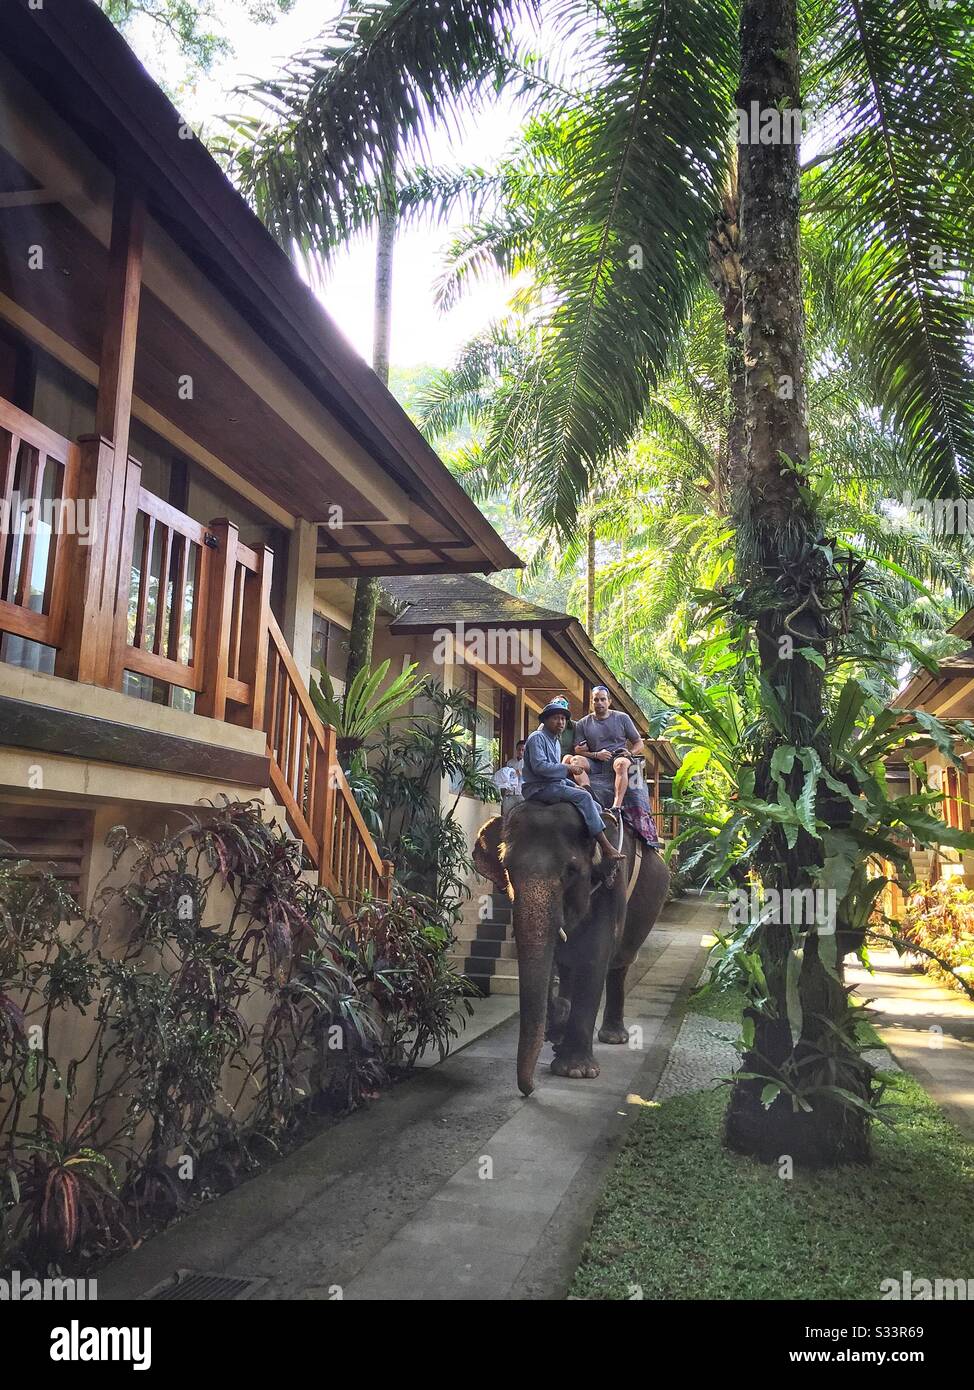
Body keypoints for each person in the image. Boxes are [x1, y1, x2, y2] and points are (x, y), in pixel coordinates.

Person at [521, 697, 624, 864]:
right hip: (538, 787)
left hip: (553, 783)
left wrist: (567, 776)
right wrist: (568, 768)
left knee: (584, 792)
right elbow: (540, 767)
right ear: (545, 720)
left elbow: (554, 770)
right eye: (555, 718)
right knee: (582, 797)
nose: (560, 722)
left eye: (563, 718)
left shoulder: (555, 741)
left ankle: (597, 817)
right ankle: (605, 845)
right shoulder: (537, 738)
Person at [573, 685, 660, 846]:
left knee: (621, 764)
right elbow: (577, 749)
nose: (599, 703)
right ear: (591, 702)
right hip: (595, 761)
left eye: (602, 699)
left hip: (617, 758)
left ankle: (616, 806)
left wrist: (630, 753)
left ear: (609, 701)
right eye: (596, 700)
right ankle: (589, 793)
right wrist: (595, 755)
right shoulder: (583, 723)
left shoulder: (622, 718)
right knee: (575, 761)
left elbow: (639, 743)